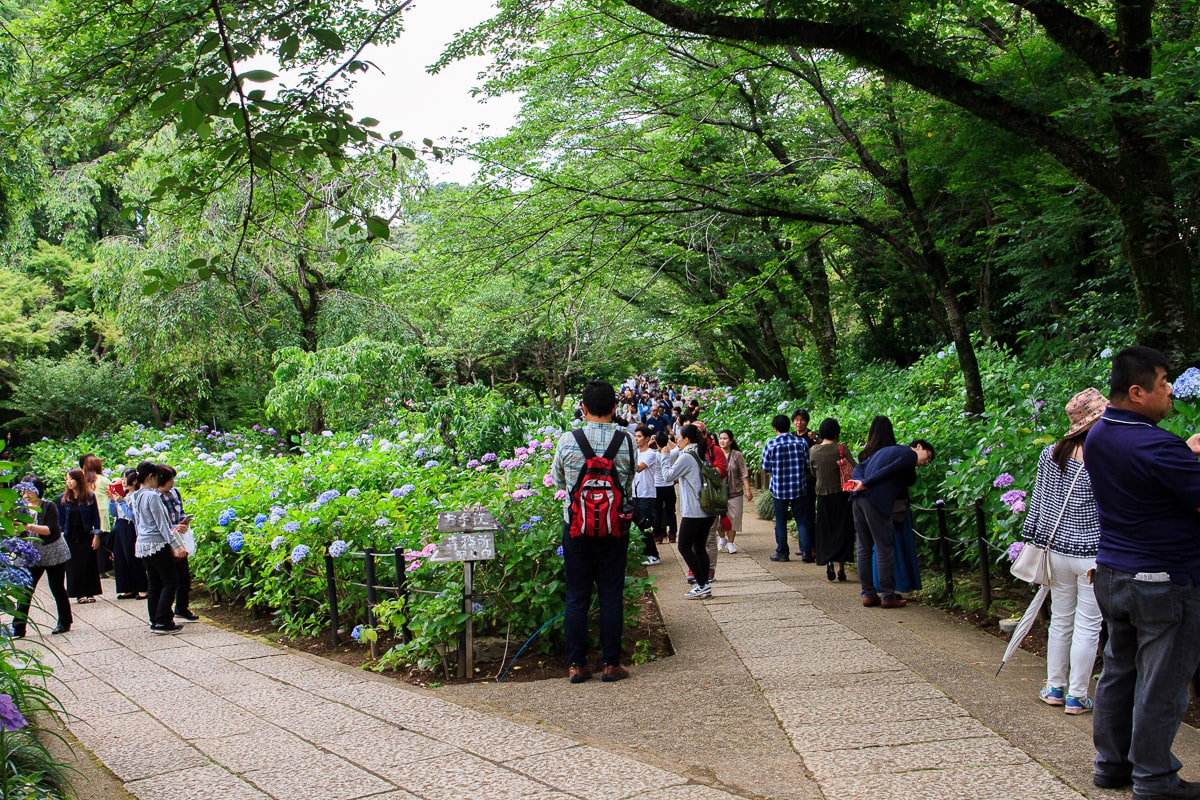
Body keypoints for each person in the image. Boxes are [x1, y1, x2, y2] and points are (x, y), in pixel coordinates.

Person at [1084, 346, 1200, 799]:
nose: (1170, 391)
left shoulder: (1100, 433)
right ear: (1137, 392)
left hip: (1114, 572)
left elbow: (1147, 476)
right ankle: (1155, 778)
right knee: (1163, 681)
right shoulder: (1156, 444)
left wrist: (1184, 455)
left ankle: (1111, 765)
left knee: (1120, 670)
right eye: (1163, 383)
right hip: (1163, 579)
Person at [1022, 388, 1106, 715]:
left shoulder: (1051, 453)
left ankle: (1054, 687)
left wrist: (1032, 537)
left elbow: (1039, 504)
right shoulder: (1103, 456)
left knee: (1060, 621)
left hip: (1055, 550)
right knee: (1088, 625)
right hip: (1092, 555)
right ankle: (1078, 695)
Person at [551, 380, 637, 683]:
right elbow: (626, 487)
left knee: (577, 596)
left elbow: (559, 482)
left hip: (576, 528)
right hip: (615, 529)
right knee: (611, 595)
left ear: (583, 409)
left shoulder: (567, 440)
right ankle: (611, 664)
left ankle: (577, 665)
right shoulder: (626, 441)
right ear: (615, 408)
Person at [849, 436, 935, 608]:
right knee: (884, 546)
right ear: (918, 446)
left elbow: (860, 466)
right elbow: (890, 470)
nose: (926, 462)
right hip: (876, 501)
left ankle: (868, 593)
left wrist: (858, 481)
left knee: (864, 547)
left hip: (858, 499)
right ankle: (888, 595)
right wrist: (866, 483)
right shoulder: (909, 455)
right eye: (928, 456)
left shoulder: (886, 450)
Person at [131, 461, 188, 635]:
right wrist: (176, 545)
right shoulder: (152, 496)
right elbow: (162, 524)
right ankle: (164, 619)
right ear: (150, 477)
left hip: (143, 543)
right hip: (156, 543)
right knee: (170, 581)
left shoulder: (136, 495)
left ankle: (155, 619)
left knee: (154, 582)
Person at [12, 476, 72, 636]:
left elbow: (52, 529)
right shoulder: (20, 508)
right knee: (25, 590)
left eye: (31, 489)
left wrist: (31, 526)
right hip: (31, 555)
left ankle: (65, 622)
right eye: (25, 490)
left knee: (57, 587)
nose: (27, 493)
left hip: (53, 552)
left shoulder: (48, 506)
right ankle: (18, 627)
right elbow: (18, 532)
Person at [660, 424, 715, 599]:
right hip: (707, 509)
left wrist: (664, 456)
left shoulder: (687, 457)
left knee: (684, 546)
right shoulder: (699, 453)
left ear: (687, 439)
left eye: (679, 437)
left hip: (694, 511)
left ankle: (701, 583)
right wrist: (673, 450)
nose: (676, 439)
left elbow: (668, 476)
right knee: (699, 547)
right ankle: (704, 584)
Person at [761, 414, 810, 562]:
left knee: (781, 522)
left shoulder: (770, 444)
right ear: (789, 426)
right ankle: (806, 552)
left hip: (779, 489)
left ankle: (782, 553)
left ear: (775, 429)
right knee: (802, 521)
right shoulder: (801, 443)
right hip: (798, 487)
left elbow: (765, 467)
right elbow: (807, 465)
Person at [810, 418, 855, 582]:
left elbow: (813, 472)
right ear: (837, 432)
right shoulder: (841, 449)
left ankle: (828, 561)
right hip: (842, 495)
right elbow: (854, 468)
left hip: (822, 495)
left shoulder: (814, 450)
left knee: (825, 530)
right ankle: (841, 568)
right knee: (841, 530)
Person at [157, 464, 198, 622]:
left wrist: (184, 522)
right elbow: (159, 522)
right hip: (165, 541)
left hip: (180, 538)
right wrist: (173, 528)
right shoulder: (155, 497)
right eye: (169, 479)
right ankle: (164, 614)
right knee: (169, 580)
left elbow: (180, 511)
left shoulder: (175, 492)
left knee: (184, 577)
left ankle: (182, 607)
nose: (172, 482)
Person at [59, 467, 102, 604]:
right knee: (73, 565)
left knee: (88, 563)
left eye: (71, 479)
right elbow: (61, 520)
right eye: (67, 479)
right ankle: (78, 593)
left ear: (78, 480)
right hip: (70, 535)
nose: (69, 482)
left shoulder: (89, 496)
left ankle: (90, 592)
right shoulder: (63, 498)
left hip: (86, 533)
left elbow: (96, 517)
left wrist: (97, 535)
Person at [110, 468, 148, 600]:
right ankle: (127, 588)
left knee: (133, 558)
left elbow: (132, 516)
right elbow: (114, 513)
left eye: (125, 479)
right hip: (120, 525)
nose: (123, 482)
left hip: (130, 527)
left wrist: (121, 502)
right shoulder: (124, 494)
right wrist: (112, 500)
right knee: (120, 559)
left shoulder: (136, 496)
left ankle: (142, 588)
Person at [718, 429, 751, 555]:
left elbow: (744, 473)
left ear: (731, 441)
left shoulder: (737, 455)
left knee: (734, 518)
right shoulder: (715, 453)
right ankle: (722, 538)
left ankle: (731, 542)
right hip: (718, 492)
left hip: (735, 491)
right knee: (717, 518)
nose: (722, 441)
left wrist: (748, 489)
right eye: (720, 438)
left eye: (725, 438)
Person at [632, 426, 662, 566]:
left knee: (646, 524)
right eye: (635, 436)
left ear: (648, 438)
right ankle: (643, 553)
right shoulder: (635, 452)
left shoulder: (651, 454)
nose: (636, 439)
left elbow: (639, 468)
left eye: (639, 436)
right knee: (637, 525)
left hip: (647, 493)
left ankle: (653, 554)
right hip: (634, 493)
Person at [793, 409, 819, 560]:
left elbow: (823, 446)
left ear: (806, 421)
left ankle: (812, 547)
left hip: (810, 480)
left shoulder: (811, 437)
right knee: (800, 515)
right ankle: (805, 546)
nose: (798, 422)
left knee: (809, 514)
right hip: (796, 480)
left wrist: (816, 438)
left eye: (801, 420)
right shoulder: (791, 437)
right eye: (796, 420)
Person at [80, 454, 112, 577]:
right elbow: (113, 490)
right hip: (101, 512)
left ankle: (93, 569)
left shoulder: (83, 480)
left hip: (87, 515)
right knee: (102, 541)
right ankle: (102, 569)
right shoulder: (103, 480)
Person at [653, 430, 679, 544]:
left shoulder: (653, 455)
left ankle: (658, 535)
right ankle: (672, 534)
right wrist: (668, 441)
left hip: (657, 486)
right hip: (669, 486)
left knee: (657, 512)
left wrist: (651, 441)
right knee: (671, 511)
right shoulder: (671, 454)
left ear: (656, 443)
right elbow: (678, 447)